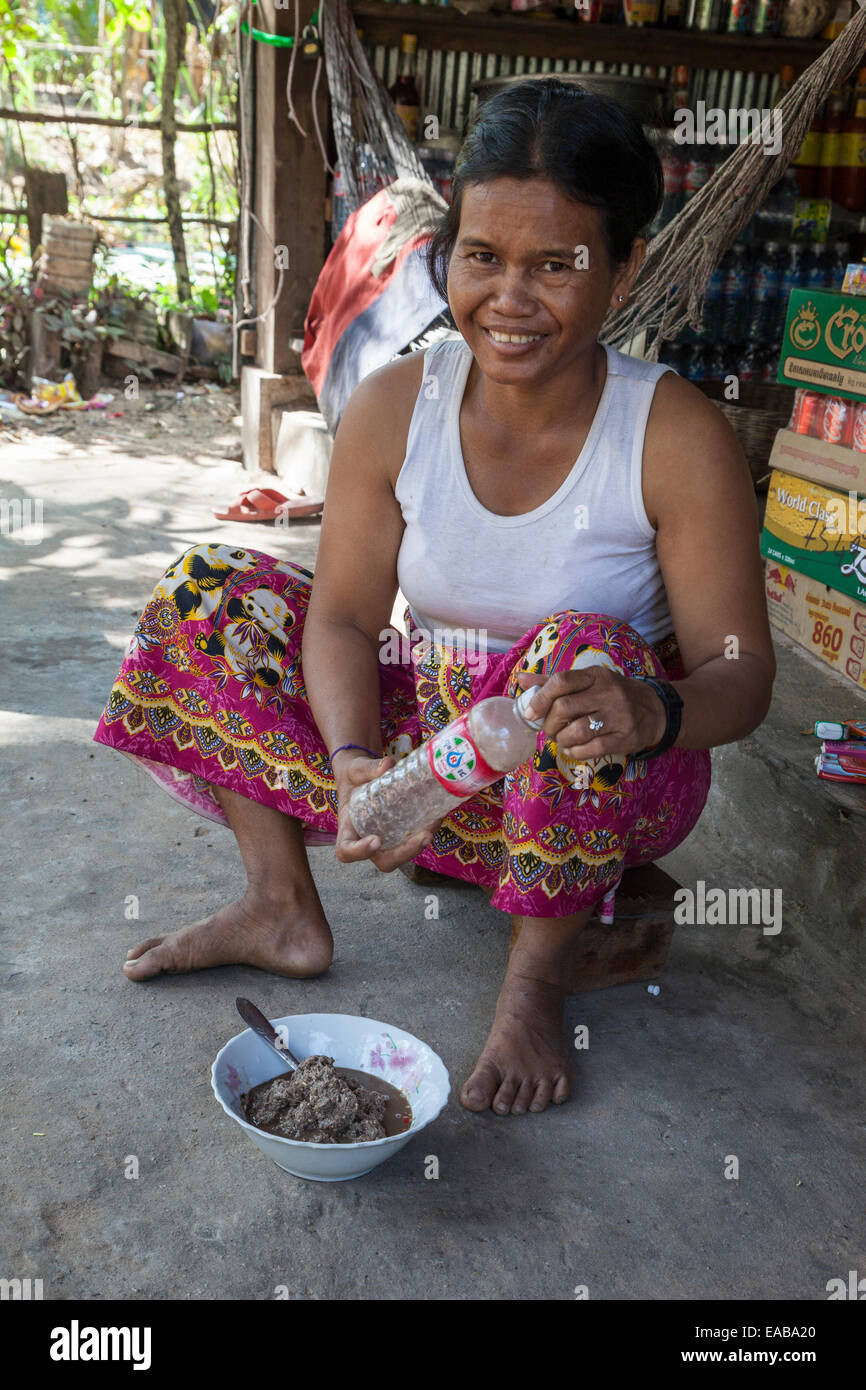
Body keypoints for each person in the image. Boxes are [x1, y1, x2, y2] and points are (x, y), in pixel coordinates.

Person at [94, 80, 775, 1118]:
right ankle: (281, 906)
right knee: (214, 594)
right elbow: (341, 618)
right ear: (446, 254)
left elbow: (741, 672)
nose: (509, 297)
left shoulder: (672, 435)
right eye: (482, 257)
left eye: (556, 265)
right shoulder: (396, 406)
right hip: (437, 768)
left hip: (604, 769)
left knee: (577, 654)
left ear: (625, 266)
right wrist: (358, 758)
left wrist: (655, 708)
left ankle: (534, 983)